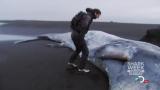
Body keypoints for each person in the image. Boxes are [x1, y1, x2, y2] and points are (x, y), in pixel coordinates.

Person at [68, 8, 101, 73]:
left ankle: (70, 62)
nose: (98, 17)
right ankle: (81, 68)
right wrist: (81, 35)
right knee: (86, 52)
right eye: (98, 15)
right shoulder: (88, 17)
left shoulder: (86, 15)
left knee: (78, 49)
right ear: (95, 13)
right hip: (78, 36)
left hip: (74, 34)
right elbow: (83, 26)